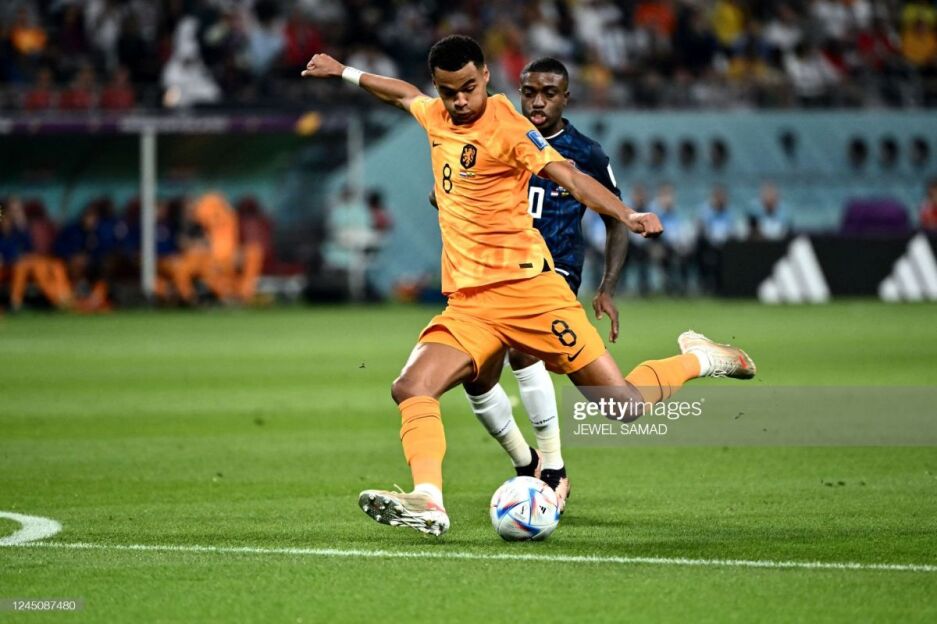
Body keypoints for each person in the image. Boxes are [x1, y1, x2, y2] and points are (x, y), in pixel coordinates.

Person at [301, 35, 756, 537]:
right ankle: (428, 499)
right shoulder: (436, 115)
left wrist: (627, 214)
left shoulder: (510, 127)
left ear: (486, 77)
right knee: (411, 387)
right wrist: (344, 72)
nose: (460, 101)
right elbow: (403, 94)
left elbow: (570, 178)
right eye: (449, 92)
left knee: (621, 405)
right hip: (469, 304)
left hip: (531, 293)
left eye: (469, 88)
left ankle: (701, 357)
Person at [431, 57, 629, 513]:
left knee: (524, 351)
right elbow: (446, 188)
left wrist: (607, 286)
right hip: (491, 275)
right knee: (477, 377)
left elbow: (615, 219)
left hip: (551, 271)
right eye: (529, 92)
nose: (537, 102)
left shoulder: (586, 153)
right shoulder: (497, 130)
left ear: (566, 99)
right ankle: (526, 462)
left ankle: (554, 470)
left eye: (549, 93)